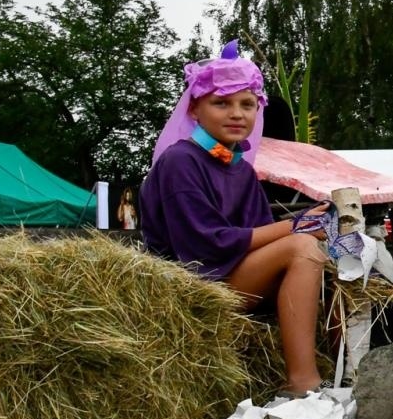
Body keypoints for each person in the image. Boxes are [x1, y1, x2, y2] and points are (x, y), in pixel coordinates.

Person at [140, 41, 330, 396]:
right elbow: (203, 249)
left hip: (232, 275)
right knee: (302, 247)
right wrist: (296, 225)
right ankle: (303, 383)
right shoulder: (181, 161)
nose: (237, 114)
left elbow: (258, 232)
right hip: (191, 291)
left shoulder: (239, 168)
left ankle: (355, 372)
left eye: (247, 104)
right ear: (195, 108)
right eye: (221, 103)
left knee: (338, 259)